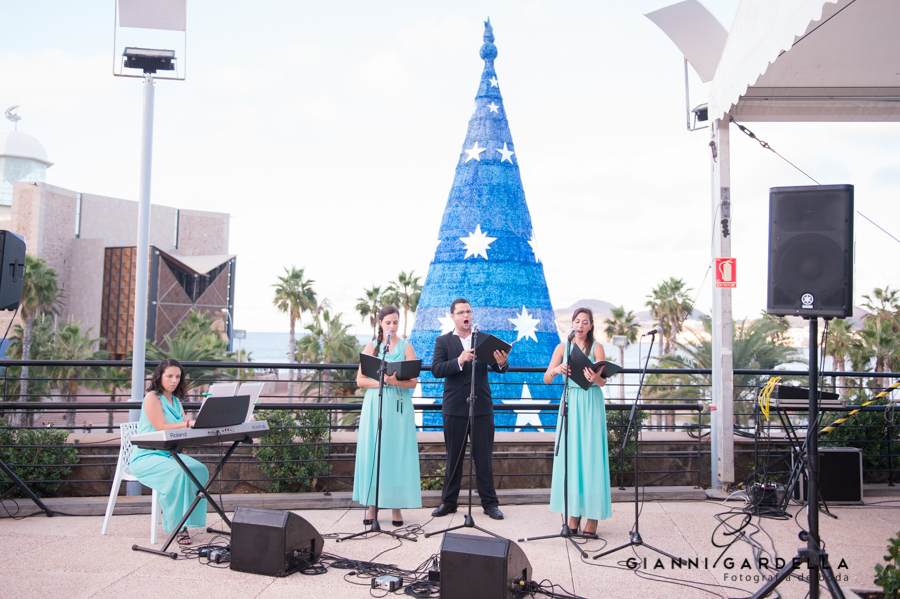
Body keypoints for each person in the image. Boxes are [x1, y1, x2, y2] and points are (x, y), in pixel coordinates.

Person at [431, 298, 509, 520]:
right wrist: (459, 360)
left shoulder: (484, 339)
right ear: (453, 317)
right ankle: (448, 503)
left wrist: (502, 362)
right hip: (454, 407)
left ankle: (490, 504)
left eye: (469, 311)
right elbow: (436, 369)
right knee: (454, 458)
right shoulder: (443, 341)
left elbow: (500, 368)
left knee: (483, 458)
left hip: (481, 407)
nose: (466, 315)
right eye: (461, 312)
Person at [543, 307, 612, 538]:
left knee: (591, 457)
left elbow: (603, 383)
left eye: (585, 322)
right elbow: (546, 378)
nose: (580, 325)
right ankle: (572, 514)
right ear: (572, 323)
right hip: (570, 403)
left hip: (591, 403)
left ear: (591, 326)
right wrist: (556, 369)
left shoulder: (596, 347)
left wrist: (596, 377)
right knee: (571, 458)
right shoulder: (562, 347)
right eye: (577, 321)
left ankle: (592, 518)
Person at [352, 306, 422, 526]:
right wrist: (383, 383)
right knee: (374, 451)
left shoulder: (407, 347)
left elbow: (412, 383)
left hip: (399, 407)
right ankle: (371, 507)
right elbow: (360, 380)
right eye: (388, 322)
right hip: (375, 404)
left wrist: (393, 381)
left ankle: (396, 507)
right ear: (380, 323)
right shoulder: (372, 346)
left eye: (395, 322)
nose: (392, 326)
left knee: (396, 453)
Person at [130, 358, 209, 545]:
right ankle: (178, 527)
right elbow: (161, 426)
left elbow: (182, 430)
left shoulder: (176, 401)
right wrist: (190, 423)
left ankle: (191, 519)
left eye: (178, 377)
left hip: (169, 454)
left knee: (200, 470)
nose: (174, 380)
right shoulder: (152, 397)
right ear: (160, 376)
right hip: (147, 455)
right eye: (170, 376)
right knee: (178, 473)